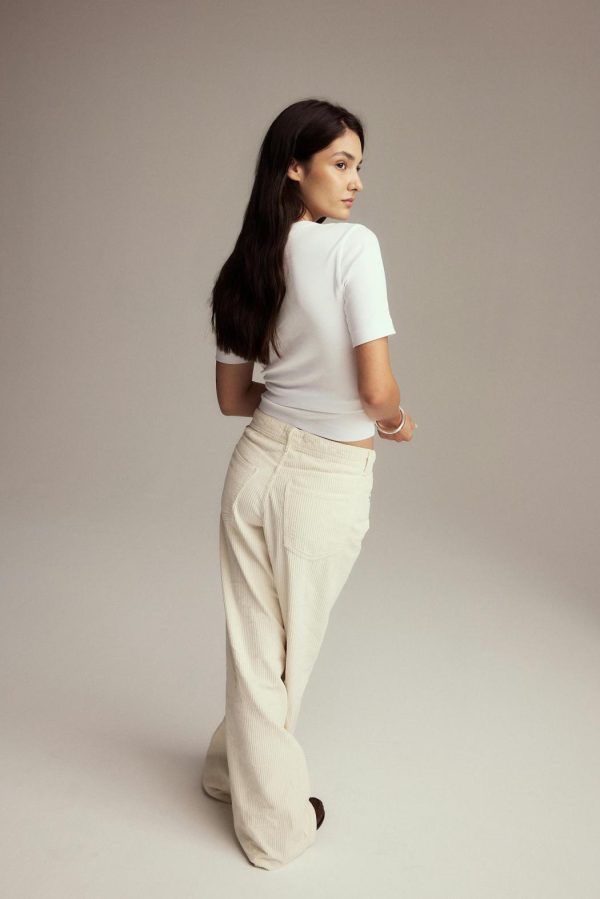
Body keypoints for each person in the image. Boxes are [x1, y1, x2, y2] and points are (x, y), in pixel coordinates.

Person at [201, 98, 417, 870]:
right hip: (323, 481)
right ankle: (277, 828)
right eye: (341, 163)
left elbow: (233, 399)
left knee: (256, 645)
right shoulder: (354, 246)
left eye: (359, 166)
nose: (356, 181)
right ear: (294, 166)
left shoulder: (245, 263)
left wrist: (295, 395)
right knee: (288, 657)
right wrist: (396, 422)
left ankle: (228, 770)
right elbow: (377, 389)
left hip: (255, 464)